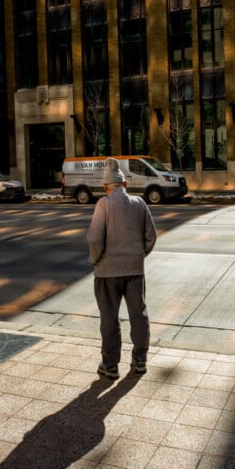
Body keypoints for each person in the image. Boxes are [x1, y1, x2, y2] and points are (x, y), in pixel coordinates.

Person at [86, 157, 157, 379]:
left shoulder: (103, 205)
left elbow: (95, 239)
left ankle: (110, 365)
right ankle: (139, 360)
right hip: (134, 270)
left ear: (106, 186)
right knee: (139, 315)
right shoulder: (139, 204)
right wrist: (138, 255)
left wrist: (95, 260)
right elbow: (151, 236)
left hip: (107, 272)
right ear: (125, 184)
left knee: (109, 318)